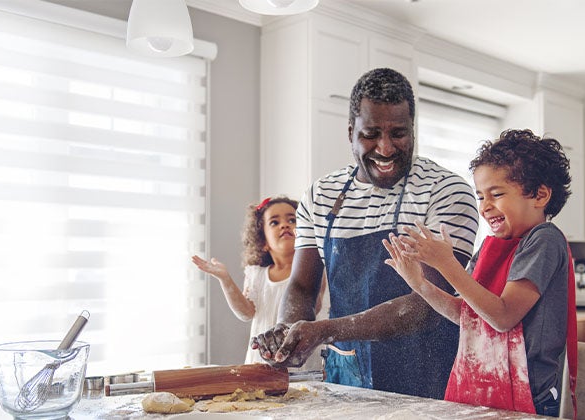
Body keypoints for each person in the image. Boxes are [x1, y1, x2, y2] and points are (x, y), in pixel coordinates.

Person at [251, 68, 479, 399]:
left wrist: (325, 330)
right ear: (350, 133)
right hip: (345, 382)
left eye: (399, 133)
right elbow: (301, 286)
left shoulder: (445, 191)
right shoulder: (321, 195)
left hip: (429, 379)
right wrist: (288, 333)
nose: (386, 149)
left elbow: (430, 303)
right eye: (371, 134)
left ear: (413, 131)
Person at [383, 129, 578, 416]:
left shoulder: (544, 240)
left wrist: (447, 264)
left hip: (530, 402)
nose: (485, 207)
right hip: (485, 393)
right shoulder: (489, 248)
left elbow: (503, 316)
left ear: (540, 195)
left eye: (496, 195)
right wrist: (420, 284)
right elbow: (466, 317)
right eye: (480, 197)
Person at [192, 196, 327, 371]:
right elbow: (246, 312)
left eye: (292, 220)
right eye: (274, 222)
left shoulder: (315, 269)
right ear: (263, 242)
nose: (285, 225)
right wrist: (225, 279)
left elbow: (312, 308)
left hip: (299, 361)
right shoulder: (256, 274)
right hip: (261, 359)